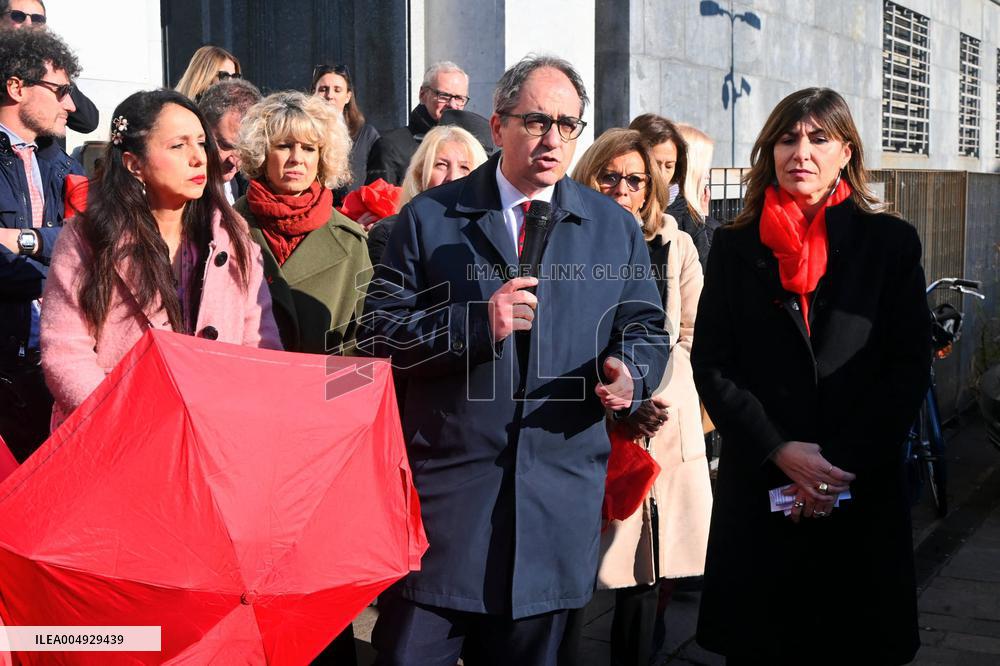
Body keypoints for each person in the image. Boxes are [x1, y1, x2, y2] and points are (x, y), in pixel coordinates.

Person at [361, 55, 669, 666]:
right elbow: (376, 336)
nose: (553, 139)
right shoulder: (429, 219)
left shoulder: (611, 227)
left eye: (568, 124)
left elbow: (646, 325)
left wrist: (630, 373)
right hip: (446, 511)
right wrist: (477, 324)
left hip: (556, 511)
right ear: (497, 126)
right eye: (536, 120)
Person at [691, 88, 931, 665]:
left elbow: (907, 367)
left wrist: (833, 468)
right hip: (762, 491)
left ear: (845, 151)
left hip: (858, 490)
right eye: (787, 137)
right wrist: (779, 449)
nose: (801, 151)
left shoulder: (889, 243)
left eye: (819, 138)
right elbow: (714, 363)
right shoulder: (732, 245)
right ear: (770, 150)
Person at [40, 90, 281, 426]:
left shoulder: (231, 232)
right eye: (178, 146)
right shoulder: (88, 237)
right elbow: (65, 351)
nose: (198, 158)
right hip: (115, 435)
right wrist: (123, 421)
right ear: (134, 163)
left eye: (201, 142)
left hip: (214, 432)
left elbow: (260, 343)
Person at [567, 128, 712, 666]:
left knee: (644, 567)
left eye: (636, 181)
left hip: (658, 422)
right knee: (577, 566)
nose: (623, 190)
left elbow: (693, 332)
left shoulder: (675, 244)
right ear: (591, 175)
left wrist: (654, 391)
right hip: (584, 421)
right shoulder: (566, 238)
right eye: (612, 177)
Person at [0, 27, 83, 461]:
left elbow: (92, 238)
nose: (70, 103)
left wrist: (25, 240)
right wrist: (65, 268)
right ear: (16, 87)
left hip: (52, 356)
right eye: (59, 90)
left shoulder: (58, 159)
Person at [235, 90, 370, 357]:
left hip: (320, 392)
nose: (297, 158)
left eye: (309, 148)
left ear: (321, 159)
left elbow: (365, 342)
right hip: (243, 387)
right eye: (284, 145)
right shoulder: (226, 226)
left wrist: (340, 395)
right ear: (261, 151)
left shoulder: (350, 241)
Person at [366, 124, 487, 266]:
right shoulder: (390, 234)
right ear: (419, 174)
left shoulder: (492, 233)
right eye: (441, 165)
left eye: (464, 167)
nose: (453, 177)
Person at [0, 0, 98, 136]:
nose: (28, 24)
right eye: (18, 16)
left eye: (37, 19)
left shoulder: (50, 64)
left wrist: (58, 82)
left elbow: (88, 122)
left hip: (44, 154)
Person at [630, 113, 714, 271]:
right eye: (654, 163)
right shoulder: (615, 200)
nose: (661, 174)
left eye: (669, 166)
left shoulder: (689, 220)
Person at [372, 60, 469, 185]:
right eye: (443, 96)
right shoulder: (391, 146)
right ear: (422, 94)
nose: (452, 104)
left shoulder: (471, 147)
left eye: (459, 98)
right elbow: (379, 200)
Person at [312, 64, 380, 191]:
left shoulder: (366, 135)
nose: (329, 96)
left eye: (337, 90)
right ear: (313, 93)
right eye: (323, 89)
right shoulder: (301, 133)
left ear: (348, 97)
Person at [197, 78, 261, 204]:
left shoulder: (246, 188)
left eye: (244, 149)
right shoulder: (180, 192)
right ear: (202, 126)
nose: (233, 161)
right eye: (226, 146)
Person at [175, 45, 241, 102]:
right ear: (204, 78)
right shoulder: (179, 111)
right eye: (224, 75)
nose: (231, 82)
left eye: (234, 76)